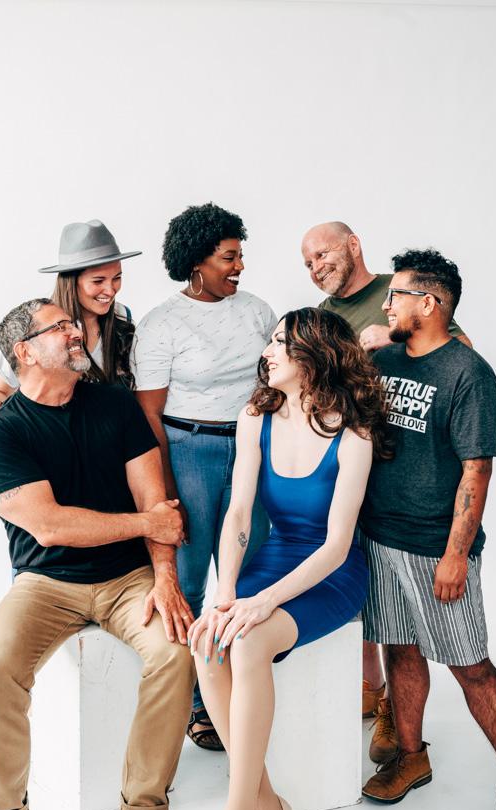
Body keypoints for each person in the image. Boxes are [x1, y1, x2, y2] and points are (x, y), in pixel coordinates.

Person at [0, 298, 195, 810]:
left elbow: (155, 502)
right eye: (60, 327)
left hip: (128, 579)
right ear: (24, 351)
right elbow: (51, 526)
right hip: (44, 583)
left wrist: (165, 577)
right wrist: (147, 525)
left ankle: (143, 805)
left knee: (175, 656)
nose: (76, 332)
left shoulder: (114, 404)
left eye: (74, 324)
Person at [188, 307, 392, 810]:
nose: (267, 352)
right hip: (274, 556)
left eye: (280, 342)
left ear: (314, 354)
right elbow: (239, 513)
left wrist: (263, 602)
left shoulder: (354, 434)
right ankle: (269, 806)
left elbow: (337, 545)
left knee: (248, 642)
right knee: (209, 641)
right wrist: (226, 592)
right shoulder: (256, 416)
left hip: (333, 573)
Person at [301, 220, 472, 762]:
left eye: (322, 254)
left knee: (418, 622)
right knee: (367, 596)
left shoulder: (398, 293)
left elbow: (461, 351)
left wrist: (392, 335)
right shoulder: (325, 315)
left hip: (412, 487)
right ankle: (374, 690)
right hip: (350, 475)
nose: (315, 268)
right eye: (307, 263)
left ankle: (392, 715)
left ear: (353, 245)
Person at [357, 249, 496, 810]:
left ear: (428, 303)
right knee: (400, 650)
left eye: (394, 296)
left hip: (435, 548)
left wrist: (455, 555)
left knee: (470, 667)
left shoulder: (468, 374)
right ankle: (411, 756)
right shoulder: (383, 361)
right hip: (380, 537)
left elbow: (477, 470)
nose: (386, 305)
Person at [132, 203, 276, 751]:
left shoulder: (257, 311)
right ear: (197, 261)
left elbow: (276, 381)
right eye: (228, 257)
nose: (239, 266)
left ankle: (243, 690)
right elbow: (149, 414)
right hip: (188, 450)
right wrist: (166, 488)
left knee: (249, 572)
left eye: (240, 256)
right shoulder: (163, 323)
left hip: (252, 448)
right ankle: (196, 702)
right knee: (189, 580)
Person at [0, 219, 140, 424]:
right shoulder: (32, 326)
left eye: (117, 277)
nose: (111, 290)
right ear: (71, 281)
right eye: (98, 281)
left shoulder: (123, 317)